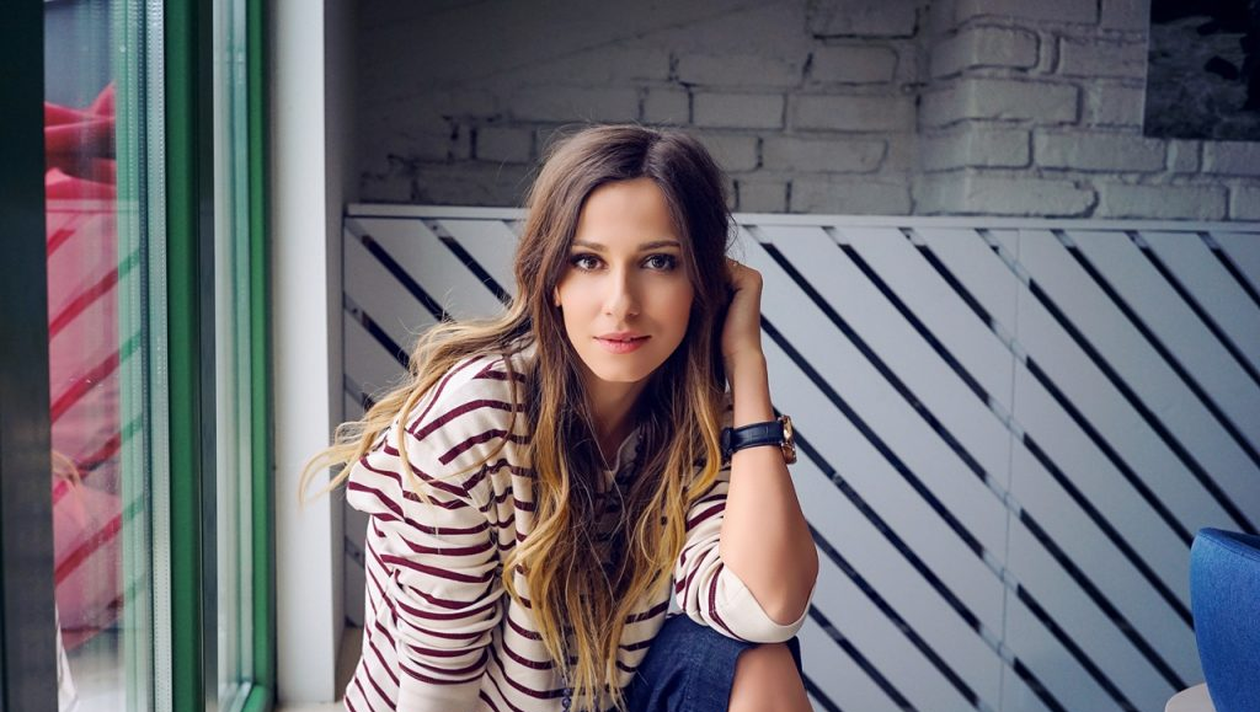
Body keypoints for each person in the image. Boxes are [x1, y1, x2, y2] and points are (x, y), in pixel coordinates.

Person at [301, 124, 818, 712]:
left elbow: (765, 608)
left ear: (703, 283)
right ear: (552, 280)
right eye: (588, 261)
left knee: (757, 658)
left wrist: (745, 364)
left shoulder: (698, 421)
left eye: (658, 261)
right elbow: (437, 697)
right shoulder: (475, 421)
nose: (621, 303)